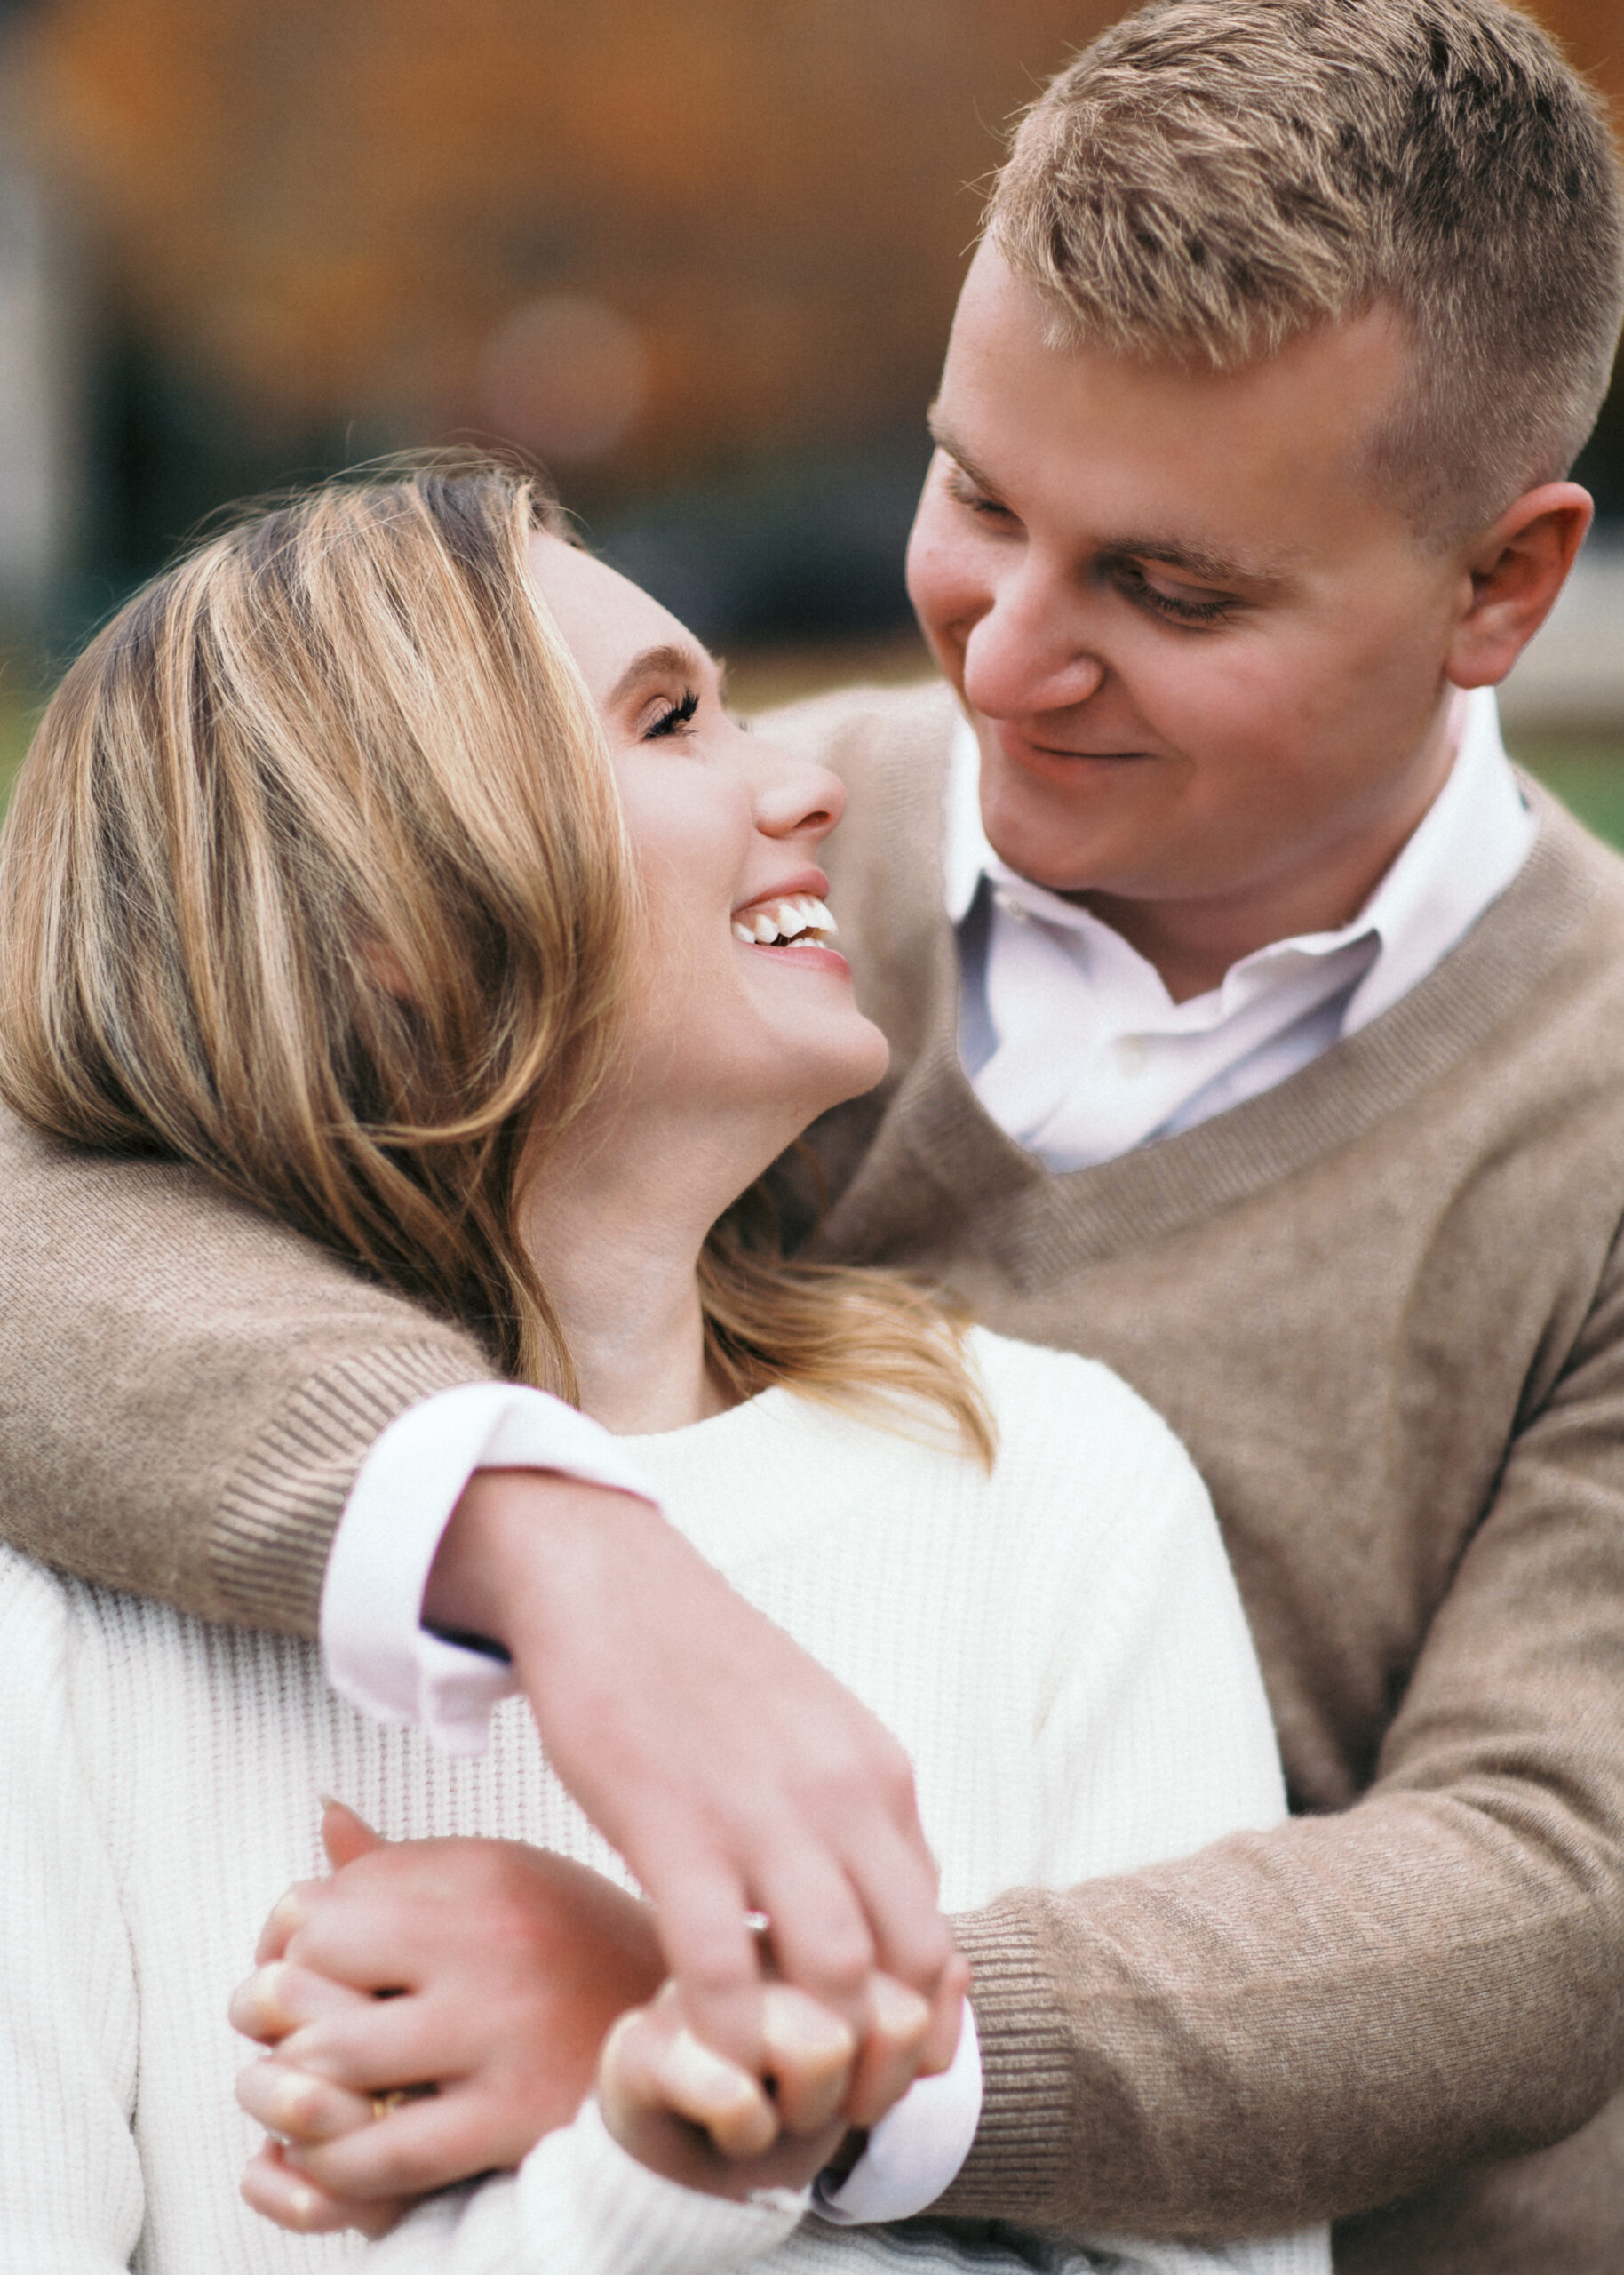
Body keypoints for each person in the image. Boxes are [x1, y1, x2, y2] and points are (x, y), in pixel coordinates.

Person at [2, 0, 1622, 2265]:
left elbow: (1562, 1896)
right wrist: (560, 1550)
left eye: (1167, 590)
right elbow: (65, 1196)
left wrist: (753, 2022)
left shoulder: (1571, 1128)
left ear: (1496, 590)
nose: (996, 660)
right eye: (972, 496)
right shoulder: (723, 893)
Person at [0, 463, 1325, 2275]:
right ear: (382, 904)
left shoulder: (1053, 1483)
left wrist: (700, 2105)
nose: (805, 780)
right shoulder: (64, 1608)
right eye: (668, 721)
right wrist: (662, 2162)